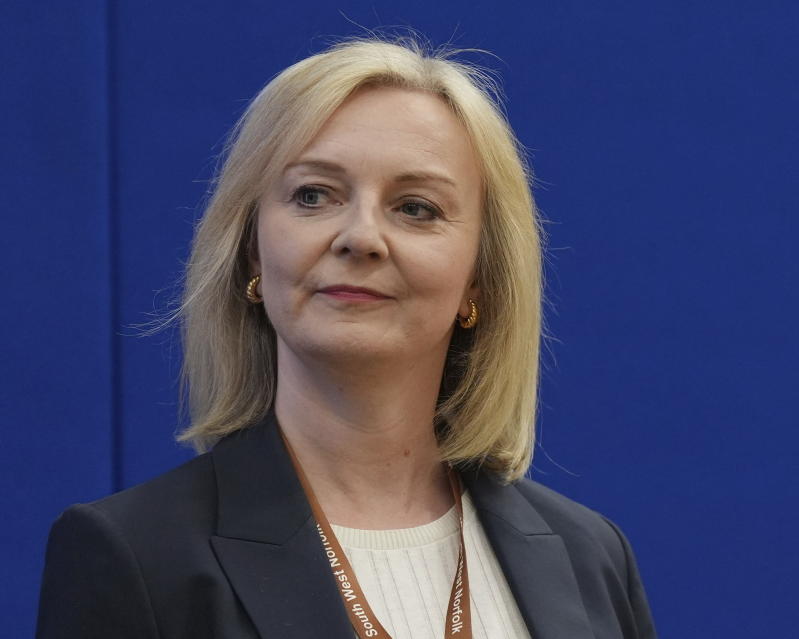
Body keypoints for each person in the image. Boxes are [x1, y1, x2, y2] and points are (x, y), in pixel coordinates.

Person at [36, 36, 657, 639]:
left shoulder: (590, 556)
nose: (360, 236)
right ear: (252, 251)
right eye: (314, 196)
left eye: (416, 207)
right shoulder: (134, 556)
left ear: (479, 278)